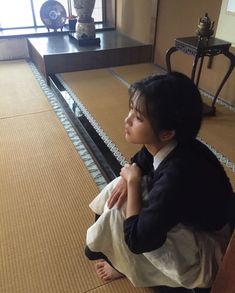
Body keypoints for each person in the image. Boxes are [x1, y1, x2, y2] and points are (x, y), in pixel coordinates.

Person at [85, 72, 234, 292]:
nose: (127, 120)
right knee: (119, 187)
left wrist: (133, 182)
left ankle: (124, 264)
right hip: (191, 221)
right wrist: (128, 180)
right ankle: (118, 259)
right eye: (131, 110)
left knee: (122, 207)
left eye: (138, 118)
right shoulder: (172, 144)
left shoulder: (178, 174)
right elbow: (139, 162)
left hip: (210, 250)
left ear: (166, 133)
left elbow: (139, 240)